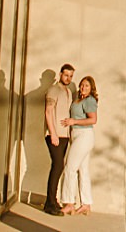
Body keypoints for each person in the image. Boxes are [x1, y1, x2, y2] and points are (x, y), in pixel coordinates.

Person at [60, 74, 99, 217]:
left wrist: (73, 122)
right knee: (83, 170)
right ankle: (86, 204)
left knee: (70, 168)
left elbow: (93, 120)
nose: (83, 87)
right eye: (82, 85)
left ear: (91, 88)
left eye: (87, 85)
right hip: (77, 135)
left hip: (84, 136)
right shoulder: (78, 99)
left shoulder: (90, 100)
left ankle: (69, 203)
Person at [43, 63, 75, 216]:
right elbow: (48, 112)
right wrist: (53, 133)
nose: (68, 78)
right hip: (54, 135)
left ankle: (52, 201)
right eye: (66, 75)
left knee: (58, 167)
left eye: (70, 76)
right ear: (60, 74)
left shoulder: (68, 91)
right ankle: (50, 203)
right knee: (58, 166)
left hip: (65, 135)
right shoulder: (53, 90)